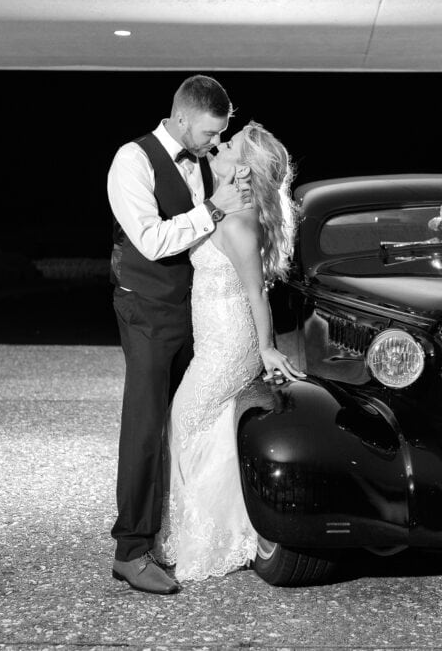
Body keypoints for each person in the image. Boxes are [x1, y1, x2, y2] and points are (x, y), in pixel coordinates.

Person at [107, 75, 251, 595]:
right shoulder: (132, 160)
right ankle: (130, 550)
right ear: (184, 116)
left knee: (181, 423)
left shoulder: (202, 160)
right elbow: (149, 240)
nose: (212, 143)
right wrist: (215, 208)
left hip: (195, 312)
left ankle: (172, 534)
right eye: (207, 133)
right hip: (146, 308)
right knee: (145, 424)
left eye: (220, 134)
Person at [156, 121, 304, 583]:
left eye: (230, 144)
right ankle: (222, 527)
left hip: (229, 344)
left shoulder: (240, 222)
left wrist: (265, 348)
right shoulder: (225, 206)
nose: (219, 144)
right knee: (206, 426)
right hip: (214, 341)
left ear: (243, 171)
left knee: (186, 418)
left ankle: (215, 534)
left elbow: (257, 293)